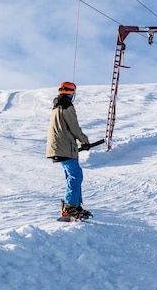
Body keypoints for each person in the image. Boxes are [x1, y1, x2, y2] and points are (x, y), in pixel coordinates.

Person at [46, 81, 93, 220]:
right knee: (75, 175)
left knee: (72, 175)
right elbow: (74, 127)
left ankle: (74, 206)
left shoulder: (57, 106)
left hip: (58, 147)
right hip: (65, 147)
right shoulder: (67, 106)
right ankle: (70, 208)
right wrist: (84, 140)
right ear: (71, 92)